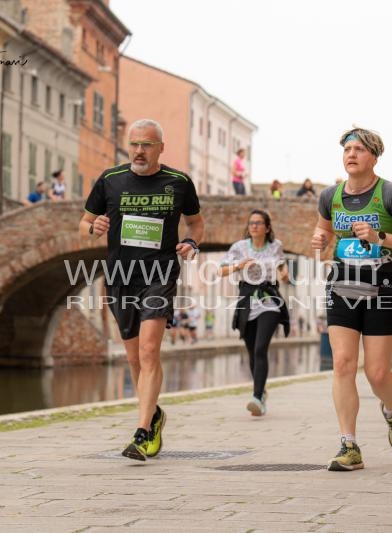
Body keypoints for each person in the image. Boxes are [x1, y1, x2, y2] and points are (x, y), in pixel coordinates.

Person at [79, 118, 204, 462]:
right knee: (133, 357)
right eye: (134, 144)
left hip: (159, 272)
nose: (138, 151)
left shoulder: (178, 183)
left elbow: (195, 222)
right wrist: (94, 227)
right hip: (120, 274)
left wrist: (192, 241)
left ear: (160, 148)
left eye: (146, 144)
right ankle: (155, 415)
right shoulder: (110, 179)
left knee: (149, 351)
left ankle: (142, 431)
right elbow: (84, 222)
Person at [312, 127, 392, 472]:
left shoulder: (390, 193)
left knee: (376, 372)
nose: (352, 154)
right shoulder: (330, 195)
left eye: (360, 149)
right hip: (343, 283)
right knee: (343, 364)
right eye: (347, 149)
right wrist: (319, 241)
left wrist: (381, 237)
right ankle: (349, 445)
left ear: (374, 156)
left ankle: (391, 409)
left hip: (383, 285)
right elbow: (325, 232)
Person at [220, 209, 290, 416]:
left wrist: (284, 274)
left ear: (267, 228)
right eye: (251, 223)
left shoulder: (276, 246)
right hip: (247, 299)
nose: (254, 226)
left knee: (260, 348)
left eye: (259, 223)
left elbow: (282, 266)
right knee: (251, 350)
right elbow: (220, 270)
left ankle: (257, 397)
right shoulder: (239, 247)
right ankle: (261, 391)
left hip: (269, 300)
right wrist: (238, 265)